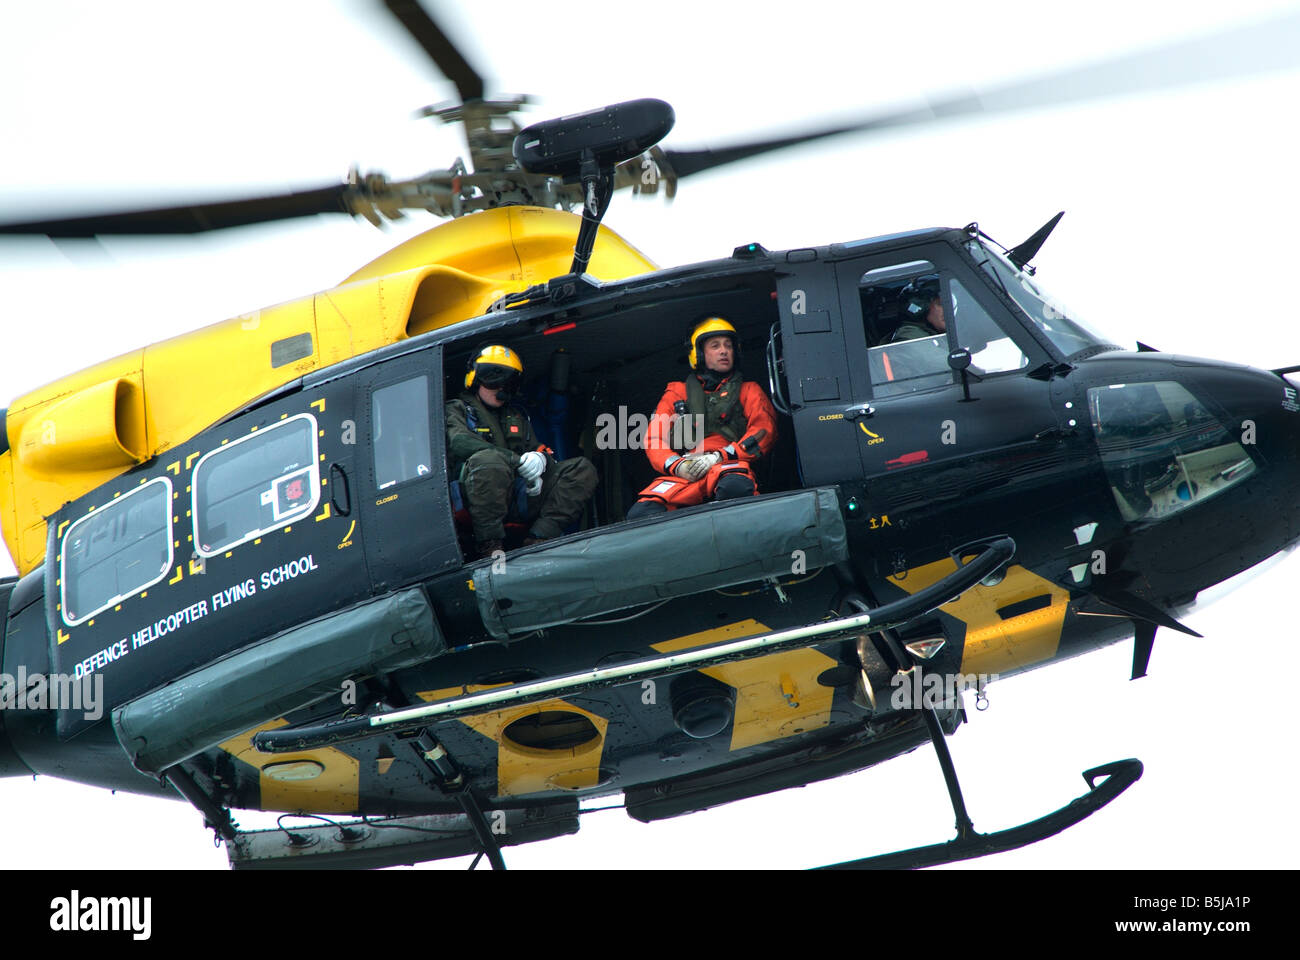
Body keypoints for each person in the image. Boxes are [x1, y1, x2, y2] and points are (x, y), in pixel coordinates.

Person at [446, 345, 597, 558]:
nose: (500, 388)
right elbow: (459, 442)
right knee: (489, 461)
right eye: (493, 378)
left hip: (520, 496)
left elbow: (540, 450)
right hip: (476, 497)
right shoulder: (457, 409)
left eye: (508, 383)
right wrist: (516, 461)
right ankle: (489, 544)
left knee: (581, 469)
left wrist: (541, 460)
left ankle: (539, 537)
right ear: (476, 378)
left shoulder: (517, 417)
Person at [626, 317, 777, 520]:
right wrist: (678, 466)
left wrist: (718, 457)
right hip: (687, 470)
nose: (724, 351)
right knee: (643, 512)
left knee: (734, 486)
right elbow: (654, 439)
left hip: (728, 463)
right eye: (715, 346)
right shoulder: (677, 393)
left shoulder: (749, 390)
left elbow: (763, 430)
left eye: (728, 346)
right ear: (698, 354)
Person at [891, 278, 947, 343]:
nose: (947, 309)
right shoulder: (912, 338)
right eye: (941, 304)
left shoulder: (934, 334)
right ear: (922, 308)